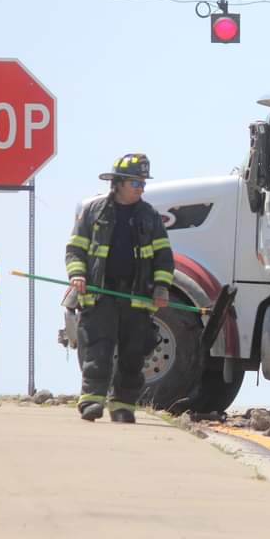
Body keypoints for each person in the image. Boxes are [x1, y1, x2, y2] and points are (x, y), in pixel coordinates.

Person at [65, 153, 174, 423]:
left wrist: (161, 287)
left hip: (137, 299)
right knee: (98, 351)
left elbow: (164, 257)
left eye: (142, 184)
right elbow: (75, 249)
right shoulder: (93, 212)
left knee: (133, 355)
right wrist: (77, 275)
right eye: (136, 183)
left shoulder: (150, 216)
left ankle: (123, 405)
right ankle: (91, 401)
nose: (141, 189)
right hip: (100, 295)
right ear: (119, 183)